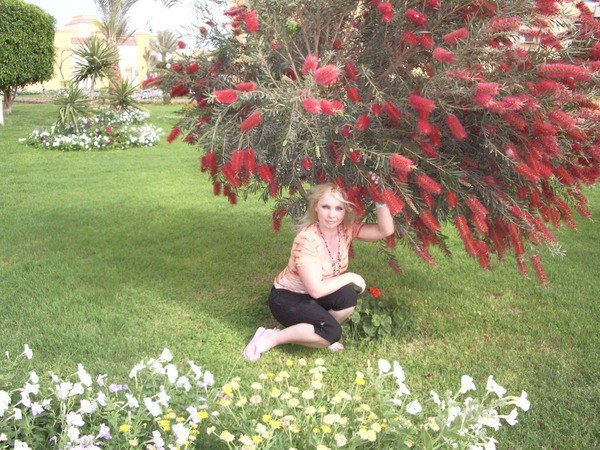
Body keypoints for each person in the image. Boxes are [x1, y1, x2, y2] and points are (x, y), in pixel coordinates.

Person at [243, 180, 395, 361]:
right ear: (316, 207)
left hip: (313, 294)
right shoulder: (306, 239)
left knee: (348, 296)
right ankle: (272, 337)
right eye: (326, 207)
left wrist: (380, 197)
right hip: (287, 297)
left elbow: (385, 230)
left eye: (338, 208)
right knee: (332, 332)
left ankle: (318, 332)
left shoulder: (344, 229)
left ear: (345, 211)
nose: (332, 215)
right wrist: (350, 276)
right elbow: (316, 290)